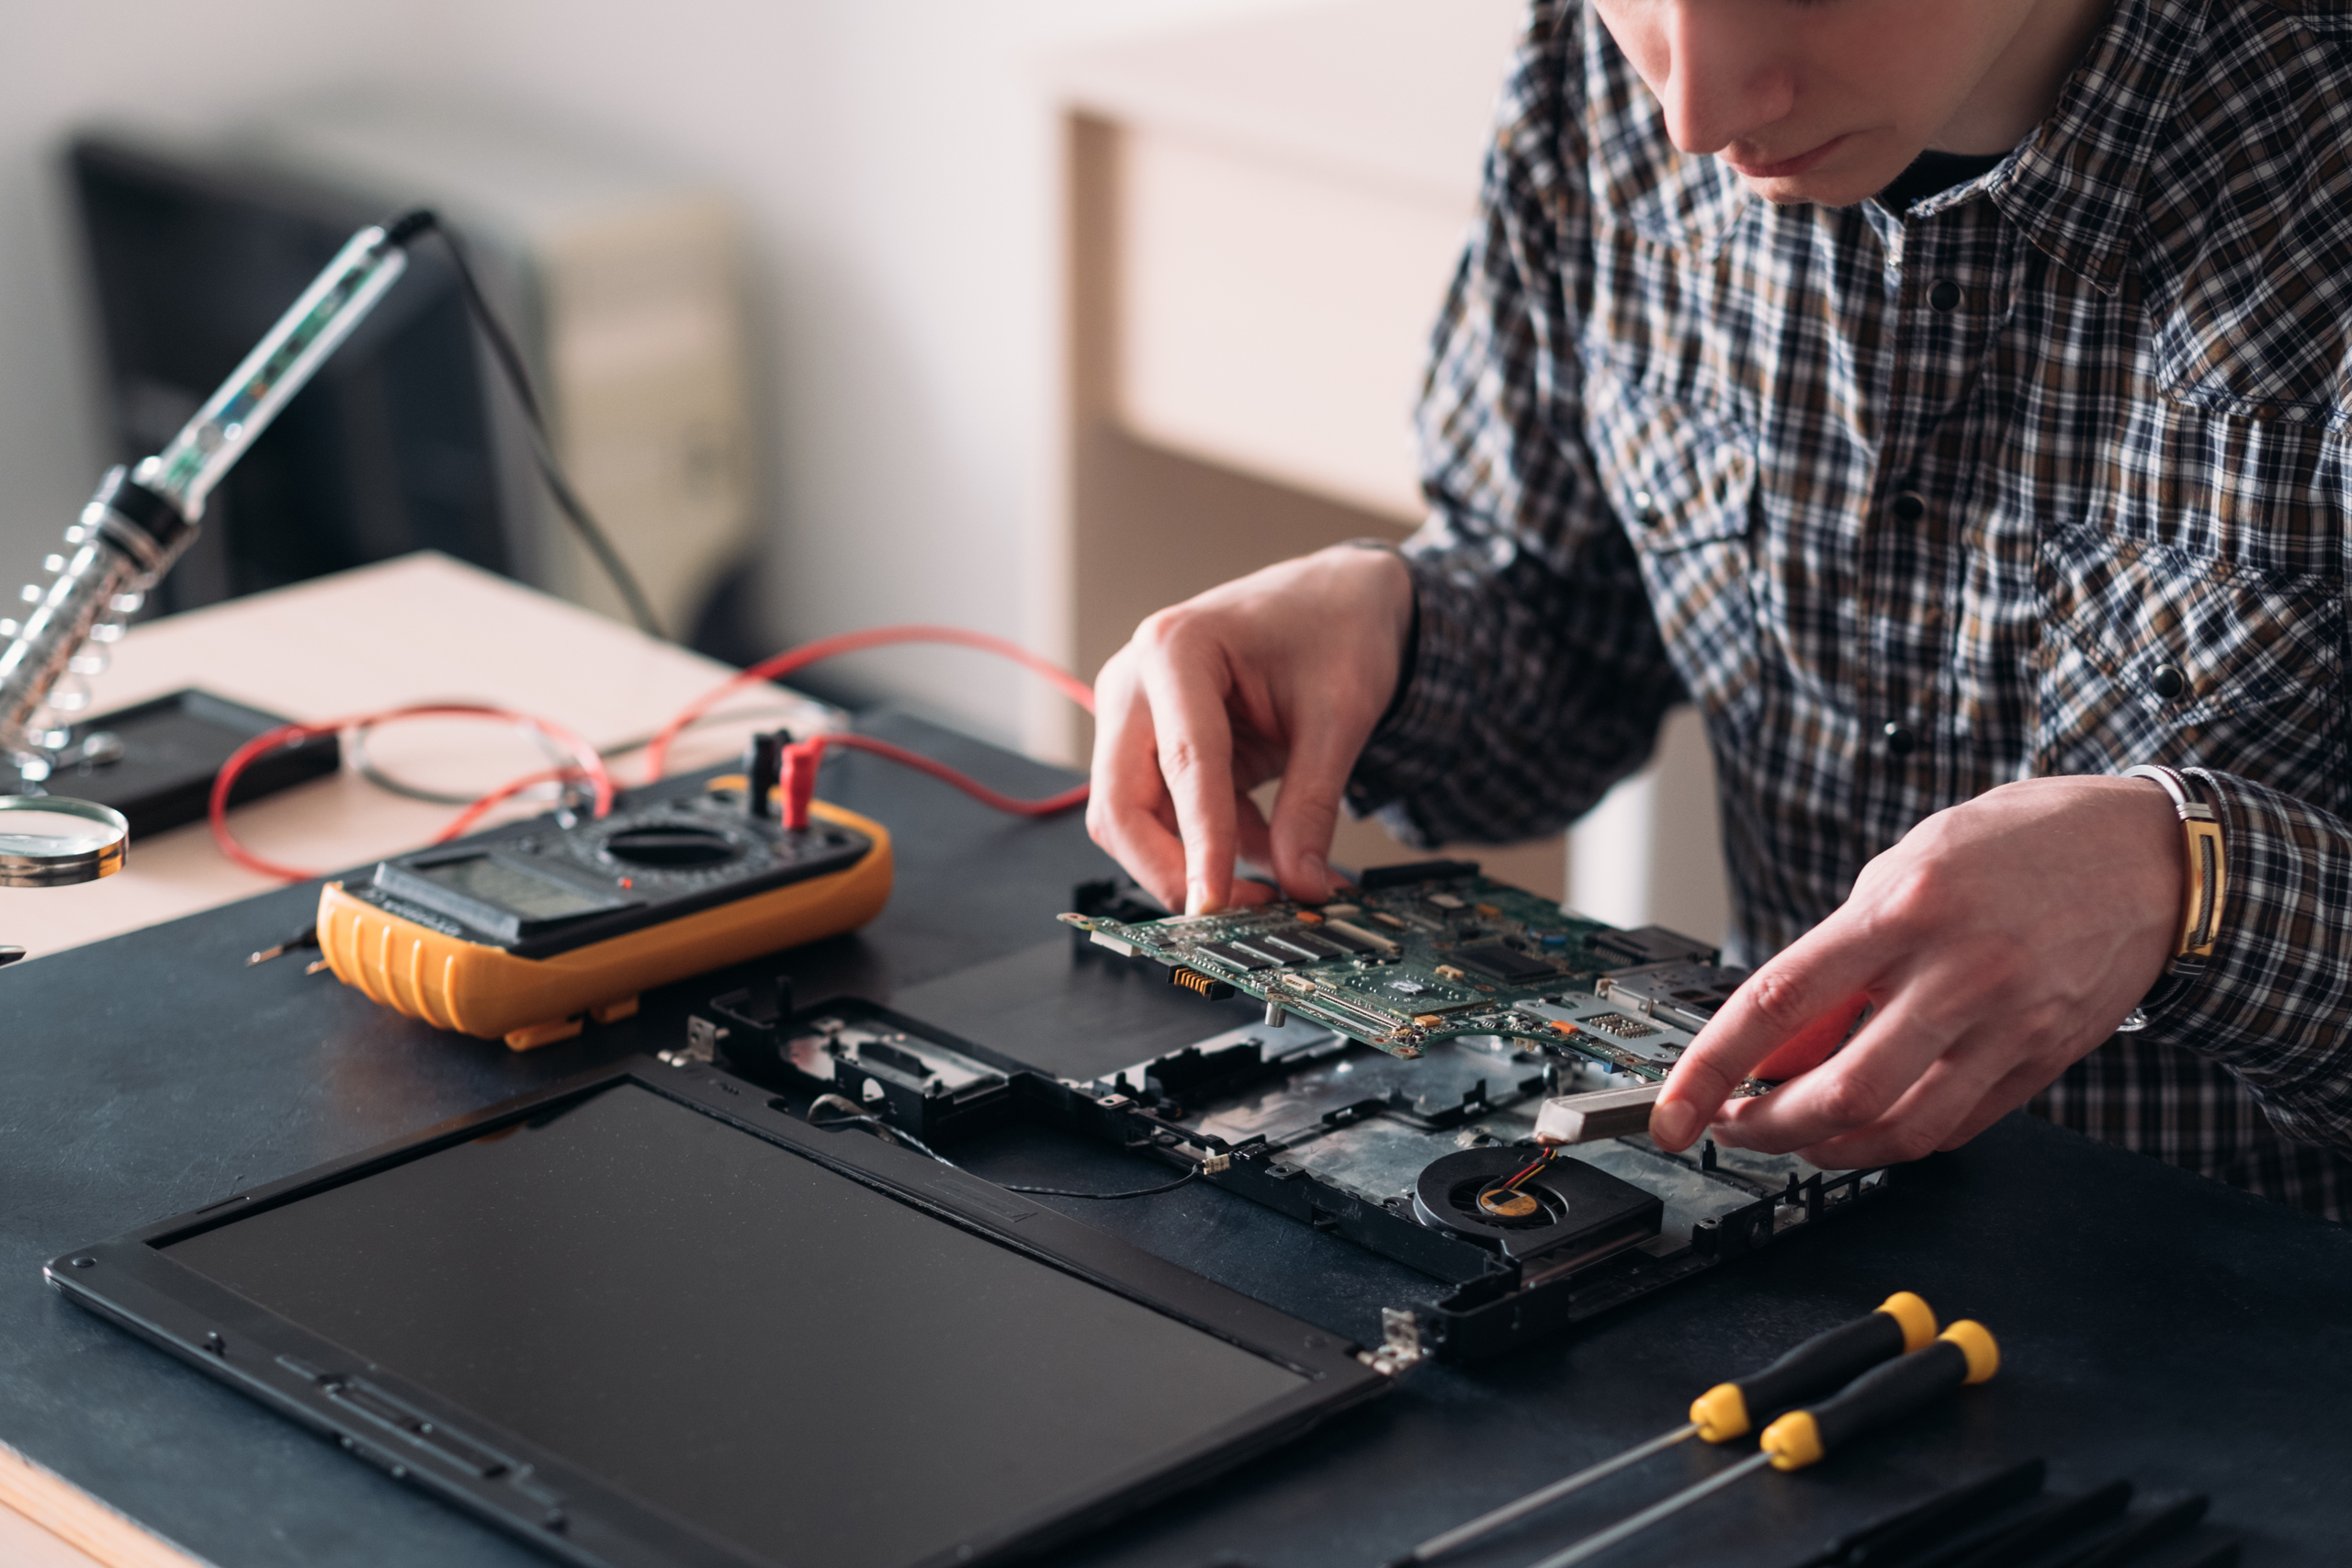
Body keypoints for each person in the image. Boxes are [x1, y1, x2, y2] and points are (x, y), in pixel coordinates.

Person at [1084, 0, 2352, 1220]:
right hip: (1787, 1234)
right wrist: (1398, 634)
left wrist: (2187, 886)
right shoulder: (1591, 67)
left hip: (2271, 1314)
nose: (1691, 114)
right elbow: (1567, 635)